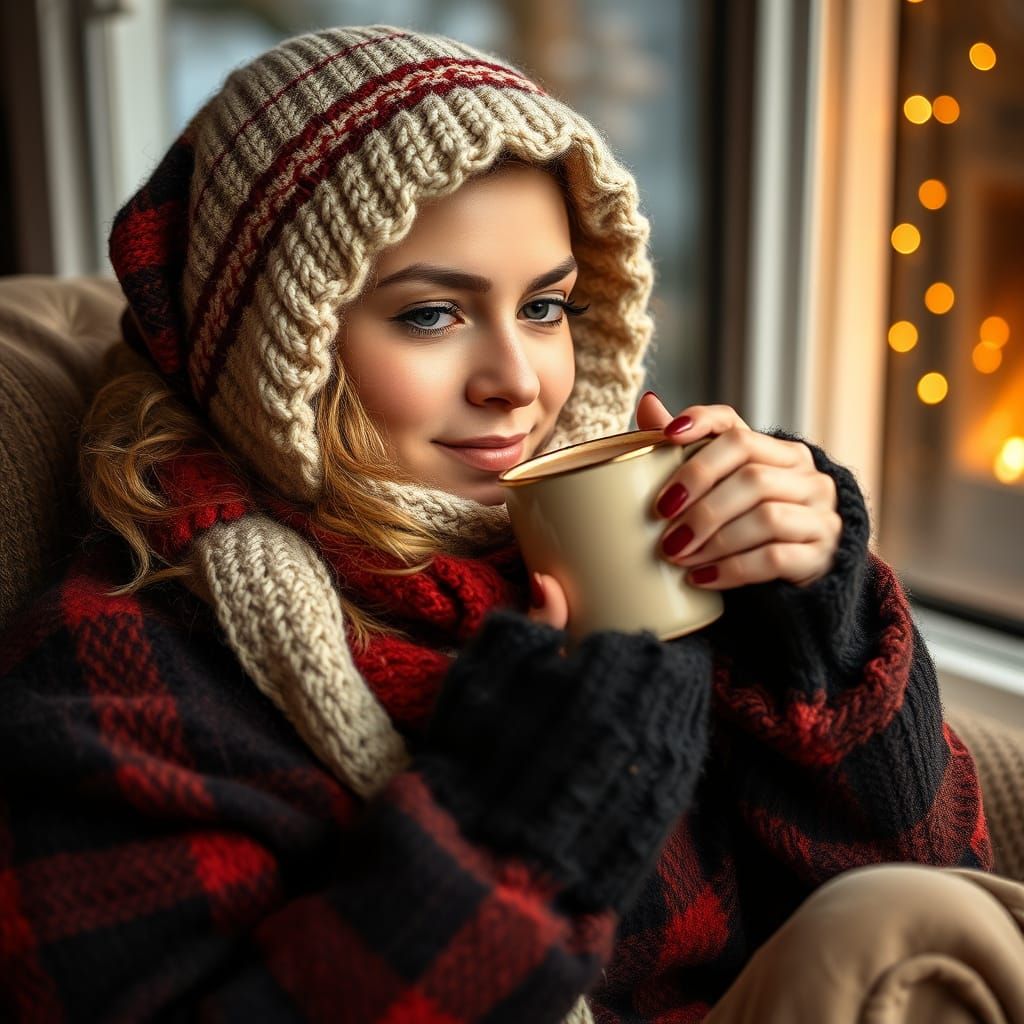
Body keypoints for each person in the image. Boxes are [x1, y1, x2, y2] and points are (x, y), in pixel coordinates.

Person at [1, 24, 1022, 1024]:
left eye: (545, 308)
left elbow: (938, 874)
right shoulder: (127, 673)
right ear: (280, 345)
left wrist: (814, 622)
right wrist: (524, 823)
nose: (518, 382)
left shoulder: (629, 547)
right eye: (431, 314)